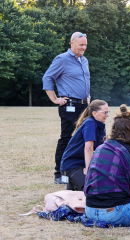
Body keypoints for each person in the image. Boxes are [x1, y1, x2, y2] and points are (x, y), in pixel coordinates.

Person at [42, 31, 90, 184]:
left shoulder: (84, 60)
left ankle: (78, 170)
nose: (83, 48)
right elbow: (47, 77)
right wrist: (55, 99)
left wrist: (87, 96)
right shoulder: (62, 59)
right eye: (81, 45)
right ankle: (59, 174)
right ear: (72, 43)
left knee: (83, 139)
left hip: (85, 106)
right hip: (69, 106)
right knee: (67, 139)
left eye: (85, 45)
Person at [60, 100, 109, 191]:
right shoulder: (90, 123)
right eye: (105, 112)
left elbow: (101, 149)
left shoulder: (100, 125)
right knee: (92, 189)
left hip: (81, 164)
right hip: (72, 166)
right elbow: (88, 148)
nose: (107, 115)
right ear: (94, 113)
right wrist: (89, 170)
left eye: (108, 112)